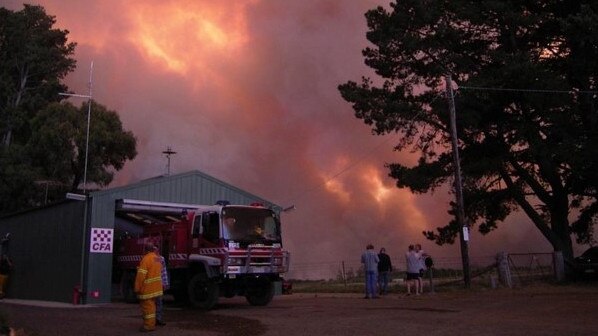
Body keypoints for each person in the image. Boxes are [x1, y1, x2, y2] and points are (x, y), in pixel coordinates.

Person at [135, 243, 163, 332]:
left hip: (147, 289)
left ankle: (148, 326)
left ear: (145, 250)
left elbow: (141, 276)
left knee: (147, 308)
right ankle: (151, 323)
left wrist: (137, 288)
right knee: (152, 307)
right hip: (156, 288)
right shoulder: (157, 259)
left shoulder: (146, 259)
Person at [154, 246, 169, 327]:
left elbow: (163, 271)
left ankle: (157, 319)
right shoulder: (151, 259)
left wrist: (165, 283)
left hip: (157, 284)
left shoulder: (160, 259)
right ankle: (155, 319)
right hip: (155, 284)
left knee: (158, 302)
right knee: (156, 302)